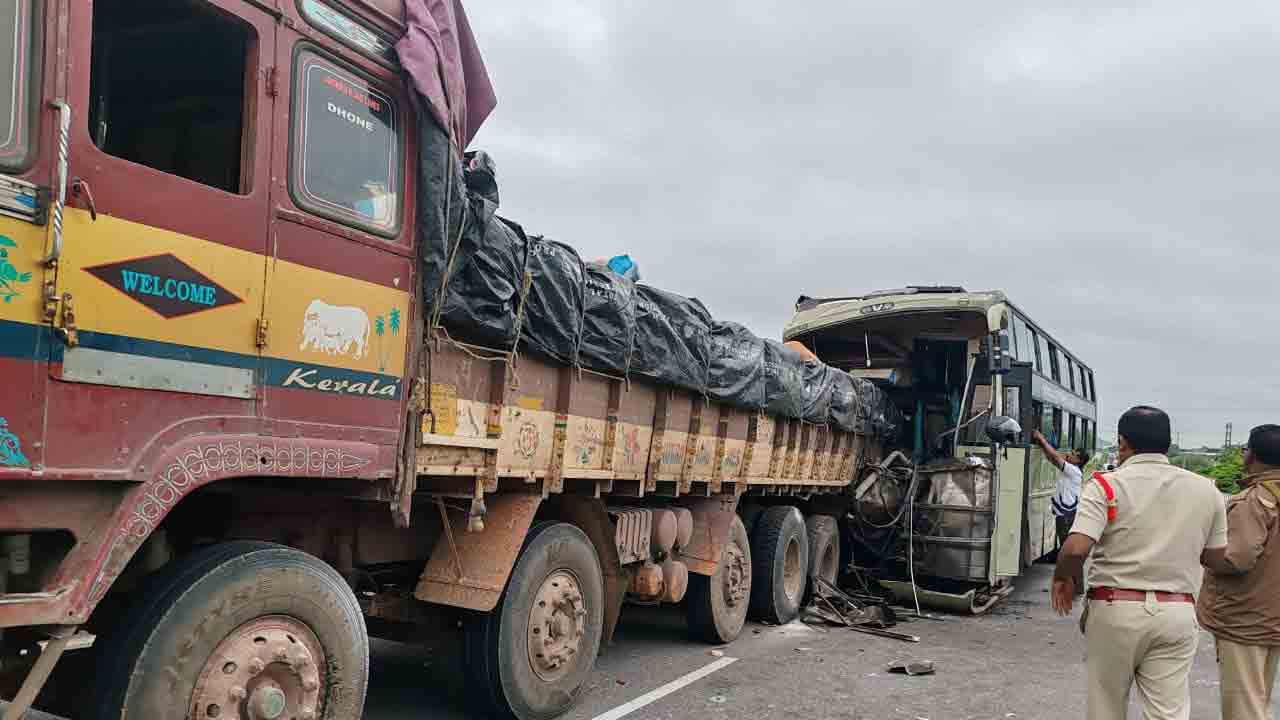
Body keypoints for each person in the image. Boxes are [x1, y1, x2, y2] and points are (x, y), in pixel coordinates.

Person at [1052, 406, 1228, 720]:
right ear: (1168, 442)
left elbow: (1076, 548)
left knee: (1106, 708)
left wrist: (1063, 578)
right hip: (1177, 612)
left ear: (1122, 442)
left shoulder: (1106, 485)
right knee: (1168, 713)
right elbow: (1215, 557)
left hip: (1115, 610)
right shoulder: (1207, 489)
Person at [1197, 424, 1280, 720]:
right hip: (1271, 620)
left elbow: (1236, 559)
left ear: (1250, 456)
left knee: (1244, 711)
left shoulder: (1255, 501)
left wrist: (1201, 550)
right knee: (1259, 700)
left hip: (1246, 620)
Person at [1032, 429, 1088, 547]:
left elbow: (1055, 457)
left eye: (1073, 454)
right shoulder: (1070, 470)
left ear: (1079, 460)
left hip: (1067, 515)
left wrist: (1042, 439)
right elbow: (1052, 459)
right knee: (1064, 544)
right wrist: (1042, 445)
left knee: (1065, 546)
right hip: (1064, 514)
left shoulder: (1073, 471)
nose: (1069, 455)